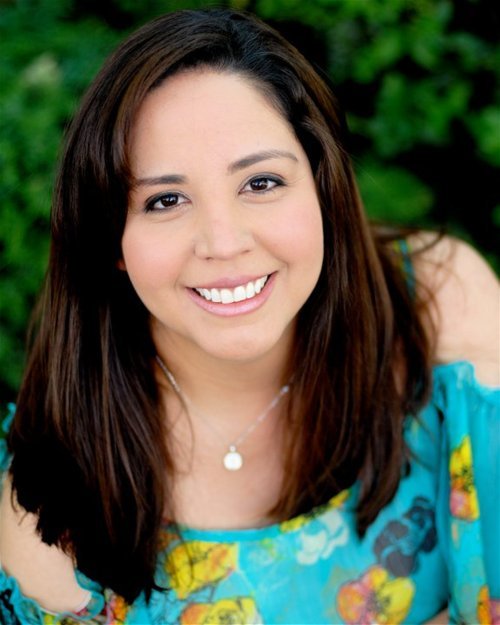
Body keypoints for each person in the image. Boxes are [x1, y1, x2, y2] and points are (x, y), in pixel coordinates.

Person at [0, 8, 498, 625]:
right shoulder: (47, 517)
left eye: (261, 183)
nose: (223, 242)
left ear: (323, 186)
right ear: (111, 241)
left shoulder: (436, 302)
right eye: (166, 200)